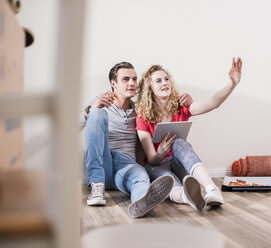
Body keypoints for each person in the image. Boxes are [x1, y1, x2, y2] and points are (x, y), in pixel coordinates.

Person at [79, 61, 193, 218]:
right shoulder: (100, 101)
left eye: (134, 79)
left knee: (141, 176)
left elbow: (163, 107)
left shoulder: (141, 110)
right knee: (97, 113)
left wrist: (183, 100)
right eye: (125, 79)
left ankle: (142, 201)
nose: (132, 83)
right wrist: (91, 110)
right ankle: (96, 186)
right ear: (114, 84)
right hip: (102, 163)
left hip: (125, 165)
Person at [135, 57, 243, 211]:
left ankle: (212, 190)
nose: (165, 83)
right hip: (157, 165)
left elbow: (212, 103)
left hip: (179, 161)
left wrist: (232, 83)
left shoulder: (180, 108)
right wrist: (160, 153)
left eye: (166, 79)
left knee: (179, 142)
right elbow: (152, 159)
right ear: (149, 88)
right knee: (167, 180)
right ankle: (188, 197)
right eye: (158, 81)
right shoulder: (142, 117)